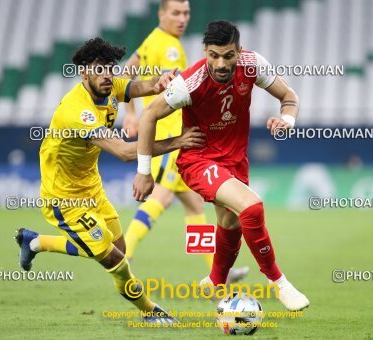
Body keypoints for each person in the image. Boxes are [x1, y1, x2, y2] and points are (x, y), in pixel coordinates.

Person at [14, 37, 205, 324]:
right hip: (64, 199)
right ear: (83, 73)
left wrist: (161, 81)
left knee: (119, 249)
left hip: (91, 186)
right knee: (115, 261)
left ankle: (36, 242)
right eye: (99, 69)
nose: (107, 75)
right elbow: (126, 152)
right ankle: (150, 312)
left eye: (110, 68)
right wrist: (178, 141)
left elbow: (142, 87)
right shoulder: (77, 112)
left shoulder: (109, 86)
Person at [132, 21, 310, 311]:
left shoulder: (252, 65)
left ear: (239, 52)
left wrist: (287, 120)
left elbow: (289, 97)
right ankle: (279, 283)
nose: (221, 63)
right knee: (251, 207)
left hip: (235, 161)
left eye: (228, 55)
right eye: (214, 55)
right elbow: (149, 115)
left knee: (232, 222)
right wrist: (144, 172)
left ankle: (215, 282)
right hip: (198, 160)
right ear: (205, 51)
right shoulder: (190, 82)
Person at [122, 0, 249, 283]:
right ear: (161, 14)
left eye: (186, 13)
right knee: (161, 197)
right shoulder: (167, 46)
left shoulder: (151, 40)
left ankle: (218, 273)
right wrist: (133, 114)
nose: (182, 19)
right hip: (171, 135)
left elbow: (126, 72)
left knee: (194, 206)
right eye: (176, 13)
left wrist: (129, 113)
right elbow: (178, 88)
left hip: (173, 135)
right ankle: (125, 252)